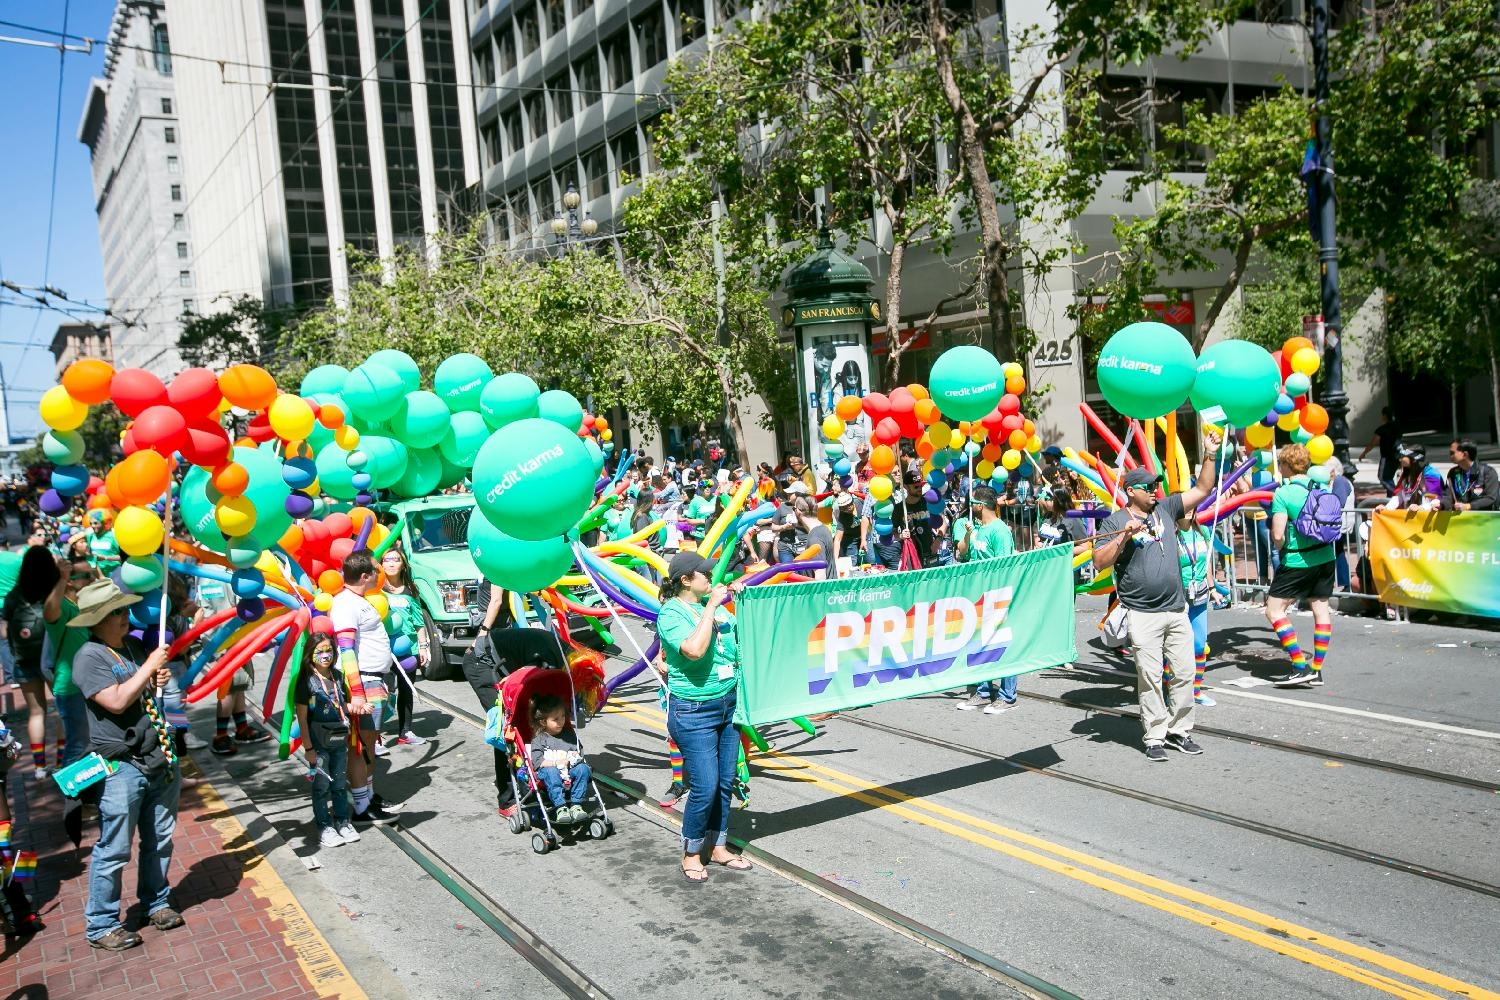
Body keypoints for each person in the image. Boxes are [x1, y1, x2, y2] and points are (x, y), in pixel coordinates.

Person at [70, 579, 184, 951]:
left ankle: (157, 902)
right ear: (97, 619)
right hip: (122, 765)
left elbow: (138, 690)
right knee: (115, 847)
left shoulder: (132, 645)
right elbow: (116, 701)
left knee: (159, 839)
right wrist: (149, 665)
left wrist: (154, 677)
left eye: (123, 610)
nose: (124, 617)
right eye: (116, 612)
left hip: (157, 756)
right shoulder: (89, 656)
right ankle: (101, 923)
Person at [1093, 432, 1220, 762]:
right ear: (1130, 491)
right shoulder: (1116, 520)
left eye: (1154, 486)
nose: (1153, 491)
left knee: (1184, 673)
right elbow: (1099, 561)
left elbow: (1203, 489)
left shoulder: (1166, 508)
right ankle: (1155, 736)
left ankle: (1180, 731)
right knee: (1149, 678)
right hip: (1142, 613)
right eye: (1147, 487)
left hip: (1176, 609)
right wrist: (1122, 539)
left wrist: (1209, 454)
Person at [656, 552, 753, 883]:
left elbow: (736, 641)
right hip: (694, 711)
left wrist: (742, 601)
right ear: (686, 580)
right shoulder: (672, 613)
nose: (711, 577)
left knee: (725, 782)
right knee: (705, 786)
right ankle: (692, 852)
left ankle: (719, 845)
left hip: (728, 703)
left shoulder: (707, 605)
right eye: (705, 574)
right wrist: (711, 606)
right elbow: (695, 650)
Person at [328, 552, 398, 825]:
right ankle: (360, 807)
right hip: (363, 683)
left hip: (373, 680)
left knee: (369, 743)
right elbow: (346, 652)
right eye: (375, 570)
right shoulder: (346, 604)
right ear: (365, 576)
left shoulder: (358, 601)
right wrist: (356, 693)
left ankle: (368, 797)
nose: (380, 574)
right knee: (360, 746)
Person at [1266, 444, 1337, 689]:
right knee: (1321, 610)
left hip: (1297, 560)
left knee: (1274, 611)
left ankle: (1299, 665)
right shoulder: (1320, 487)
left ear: (1286, 465)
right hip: (1326, 557)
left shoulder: (1283, 494)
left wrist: (1281, 545)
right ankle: (1316, 670)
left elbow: (1277, 535)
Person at [954, 486, 1018, 714]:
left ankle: (1007, 696)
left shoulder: (1000, 531)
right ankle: (982, 692)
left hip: (997, 595)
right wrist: (969, 533)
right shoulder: (978, 528)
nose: (970, 507)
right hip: (978, 596)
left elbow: (1005, 566)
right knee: (979, 644)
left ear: (980, 506)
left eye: (973, 503)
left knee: (1001, 645)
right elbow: (963, 553)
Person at [294, 633, 359, 849]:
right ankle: (324, 826)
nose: (325, 655)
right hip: (318, 743)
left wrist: (359, 707)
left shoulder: (338, 677)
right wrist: (309, 748)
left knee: (340, 784)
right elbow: (302, 718)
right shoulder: (306, 682)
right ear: (310, 654)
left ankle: (343, 822)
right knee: (321, 786)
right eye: (320, 651)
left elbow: (341, 706)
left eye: (328, 650)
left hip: (339, 740)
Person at [3, 547, 60, 779]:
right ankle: (61, 761)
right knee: (62, 708)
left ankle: (38, 768)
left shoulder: (15, 595)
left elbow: (6, 630)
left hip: (24, 660)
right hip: (54, 658)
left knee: (36, 713)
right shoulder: (54, 591)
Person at [380, 547, 428, 747]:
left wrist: (423, 647)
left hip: (408, 650)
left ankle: (405, 731)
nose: (391, 563)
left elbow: (419, 622)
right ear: (381, 565)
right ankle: (375, 735)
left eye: (395, 559)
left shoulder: (411, 590)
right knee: (382, 692)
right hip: (383, 649)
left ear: (403, 564)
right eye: (386, 560)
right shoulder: (376, 590)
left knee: (406, 691)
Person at [529, 693, 592, 823]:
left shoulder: (568, 736)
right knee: (551, 771)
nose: (561, 721)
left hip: (569, 771)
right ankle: (561, 807)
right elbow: (538, 763)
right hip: (548, 772)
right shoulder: (539, 740)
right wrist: (557, 762)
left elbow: (578, 753)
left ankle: (576, 805)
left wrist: (575, 756)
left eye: (563, 716)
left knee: (583, 769)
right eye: (556, 719)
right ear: (543, 721)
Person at [1175, 515, 1216, 707]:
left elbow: (1206, 562)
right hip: (1177, 595)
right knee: (1174, 648)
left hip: (1199, 593)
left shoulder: (1203, 531)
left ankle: (1196, 691)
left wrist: (1213, 587)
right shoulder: (1171, 534)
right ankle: (1172, 692)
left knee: (1199, 645)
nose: (1190, 511)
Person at [1358, 406, 1401, 496]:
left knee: (1383, 478)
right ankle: (1391, 496)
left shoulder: (1382, 430)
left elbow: (1372, 443)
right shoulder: (1397, 427)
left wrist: (1364, 453)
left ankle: (1395, 494)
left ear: (1384, 416)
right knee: (1389, 477)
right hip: (1397, 456)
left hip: (1387, 457)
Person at [1445, 439, 1497, 512]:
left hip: (1482, 519)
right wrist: (1440, 504)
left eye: (1452, 453)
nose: (1450, 455)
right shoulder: (1453, 473)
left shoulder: (1488, 472)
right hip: (1459, 519)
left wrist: (1468, 506)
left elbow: (1490, 498)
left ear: (1465, 454)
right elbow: (1448, 495)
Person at [792, 497, 836, 579]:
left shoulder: (814, 538)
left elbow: (820, 576)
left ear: (798, 512)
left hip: (823, 590)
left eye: (793, 508)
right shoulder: (824, 528)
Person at [1390, 444, 1443, 510]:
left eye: (1403, 456)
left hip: (1426, 516)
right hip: (1409, 515)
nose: (1400, 459)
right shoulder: (1406, 474)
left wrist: (1421, 508)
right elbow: (1399, 496)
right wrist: (1386, 508)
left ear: (1414, 459)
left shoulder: (1431, 473)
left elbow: (1437, 500)